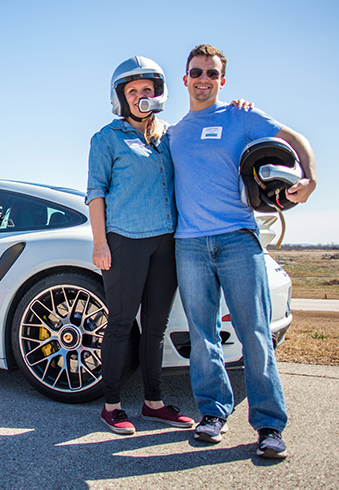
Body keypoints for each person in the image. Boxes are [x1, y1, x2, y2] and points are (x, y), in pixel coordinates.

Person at [168, 44, 317, 458]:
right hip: (190, 243)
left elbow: (294, 138)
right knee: (203, 335)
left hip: (237, 238)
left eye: (211, 74)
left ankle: (269, 425)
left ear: (222, 80)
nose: (203, 79)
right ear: (185, 79)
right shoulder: (174, 132)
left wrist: (310, 180)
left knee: (255, 335)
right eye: (196, 72)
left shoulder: (241, 116)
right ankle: (212, 413)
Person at [86, 56, 195, 434]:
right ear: (121, 97)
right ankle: (112, 405)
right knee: (118, 325)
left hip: (166, 242)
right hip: (125, 241)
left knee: (156, 327)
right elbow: (96, 193)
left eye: (147, 89)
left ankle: (154, 403)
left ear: (158, 93)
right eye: (132, 91)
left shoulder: (170, 135)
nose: (140, 96)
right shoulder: (106, 138)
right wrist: (100, 243)